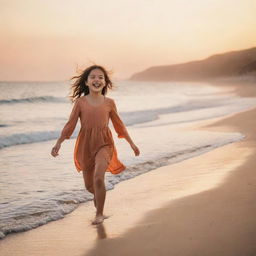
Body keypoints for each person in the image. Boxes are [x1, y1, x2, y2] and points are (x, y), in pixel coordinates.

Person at [51, 65, 140, 225]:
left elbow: (119, 125)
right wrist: (59, 143)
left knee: (99, 178)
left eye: (100, 77)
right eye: (92, 77)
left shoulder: (109, 103)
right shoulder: (80, 102)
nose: (96, 80)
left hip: (104, 144)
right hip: (85, 145)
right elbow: (70, 124)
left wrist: (132, 144)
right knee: (90, 186)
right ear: (86, 82)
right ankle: (98, 197)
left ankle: (99, 214)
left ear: (105, 82)